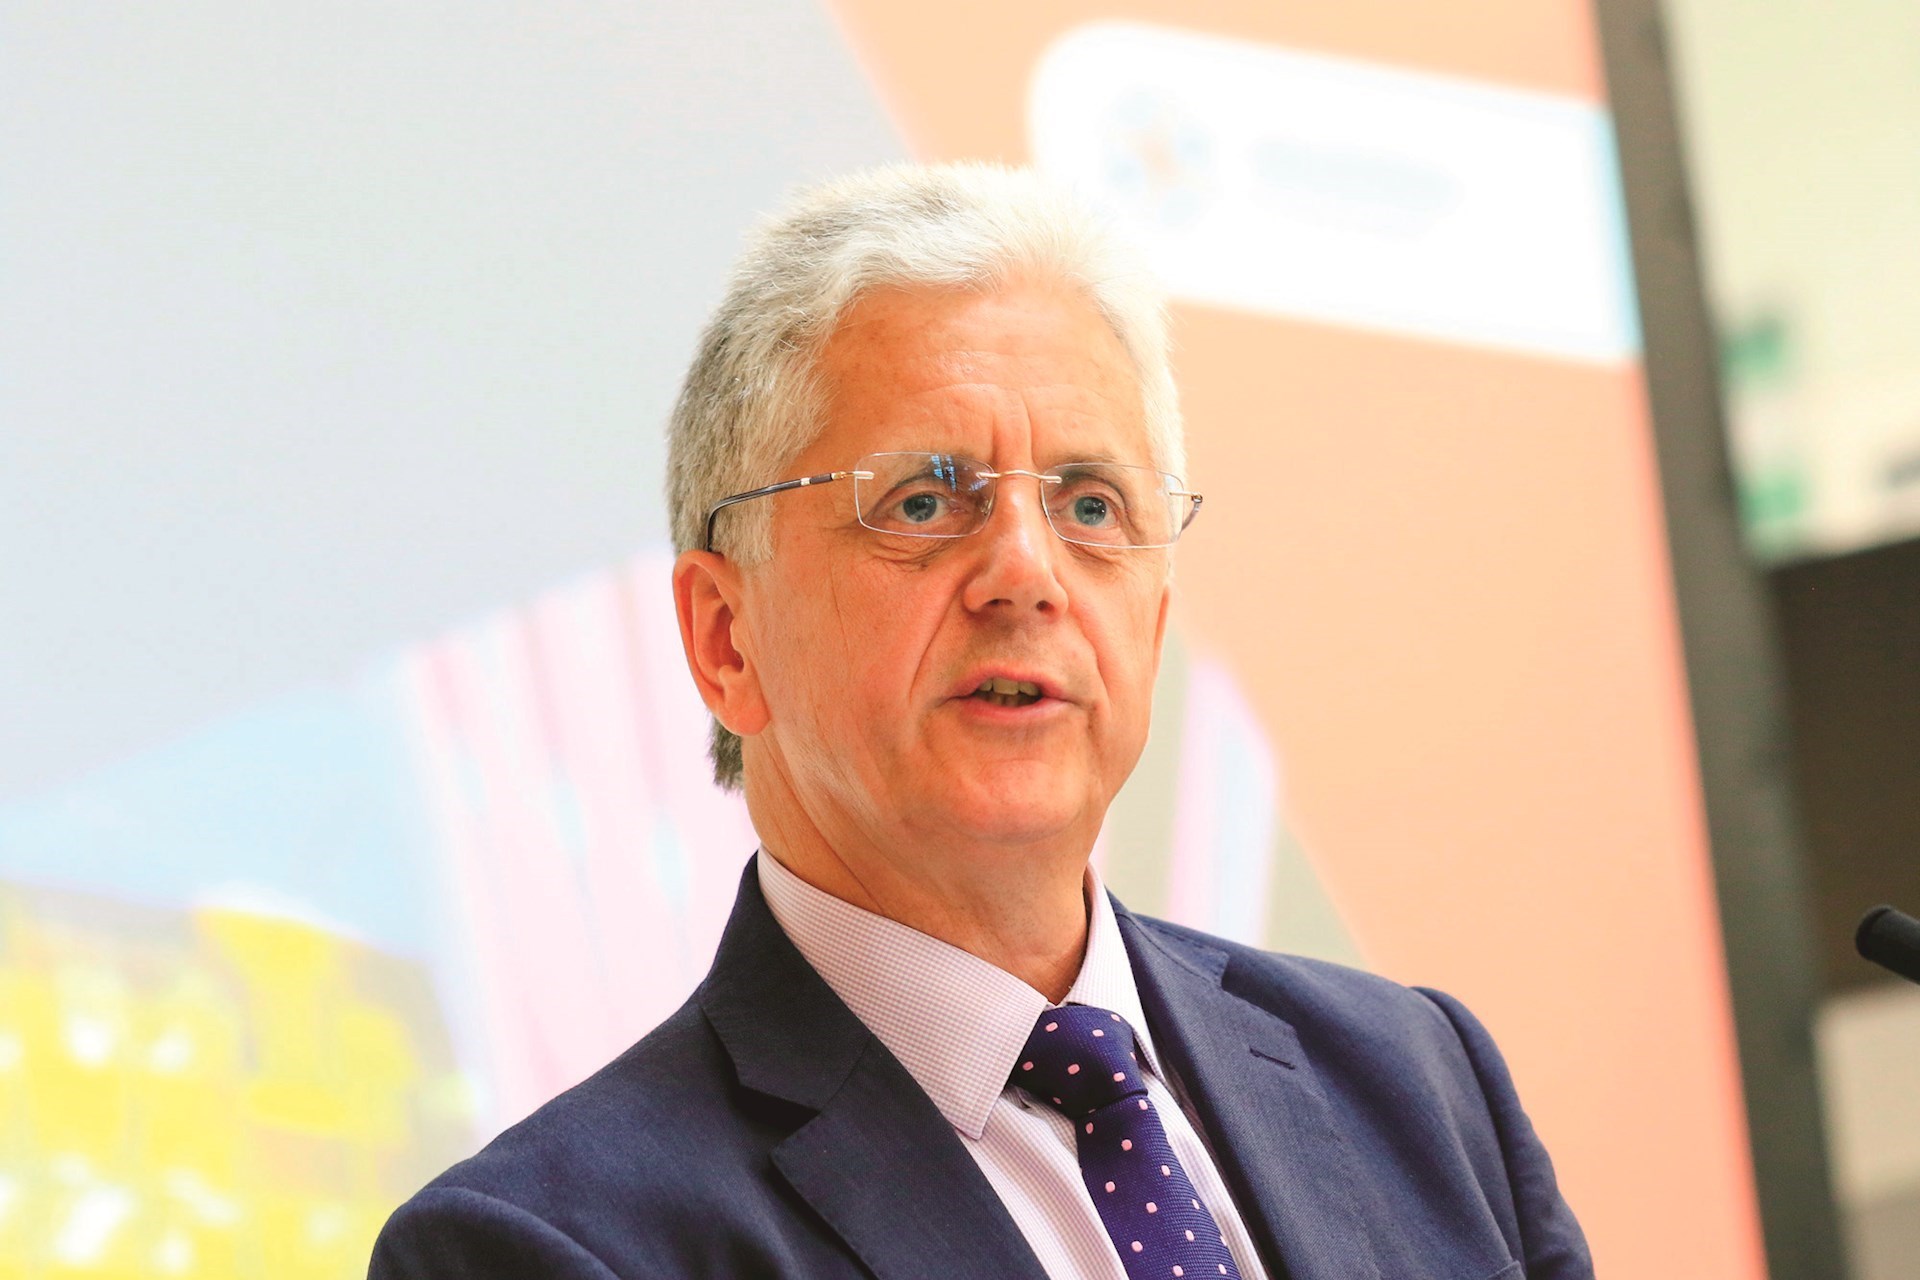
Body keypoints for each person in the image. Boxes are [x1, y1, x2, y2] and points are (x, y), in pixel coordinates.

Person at [369, 162, 1594, 1280]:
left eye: (1092, 504)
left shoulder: (1420, 1081)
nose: (1027, 570)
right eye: (921, 499)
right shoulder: (544, 1246)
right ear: (726, 639)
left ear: (1155, 622)